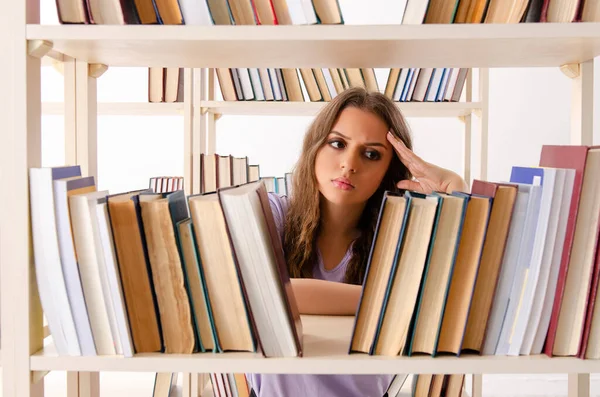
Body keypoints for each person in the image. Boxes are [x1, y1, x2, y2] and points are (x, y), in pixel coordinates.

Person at [246, 87, 468, 397]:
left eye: (371, 154)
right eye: (337, 144)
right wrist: (393, 301)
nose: (349, 164)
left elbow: (453, 303)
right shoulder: (272, 214)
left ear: (387, 171)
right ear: (314, 148)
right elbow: (263, 293)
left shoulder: (398, 237)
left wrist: (453, 191)